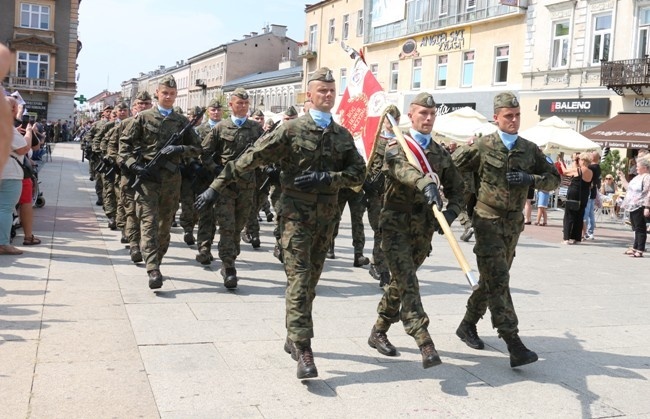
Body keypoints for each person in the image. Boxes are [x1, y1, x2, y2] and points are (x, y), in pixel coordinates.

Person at [195, 67, 366, 379]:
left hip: (325, 222)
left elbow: (359, 174)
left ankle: (292, 335)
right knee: (300, 280)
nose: (327, 95)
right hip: (294, 219)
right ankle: (304, 348)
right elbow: (249, 158)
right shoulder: (291, 131)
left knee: (310, 284)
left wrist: (330, 177)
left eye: (331, 91)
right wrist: (214, 187)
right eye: (321, 91)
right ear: (309, 96)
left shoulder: (342, 136)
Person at [452, 91, 560, 368]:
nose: (514, 120)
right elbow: (450, 169)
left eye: (517, 115)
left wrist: (530, 178)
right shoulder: (483, 145)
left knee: (492, 280)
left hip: (513, 225)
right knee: (499, 278)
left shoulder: (529, 148)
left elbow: (553, 181)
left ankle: (467, 325)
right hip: (487, 220)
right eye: (508, 116)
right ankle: (513, 341)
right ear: (495, 118)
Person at [366, 92, 465, 369]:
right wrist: (425, 183)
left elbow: (460, 189)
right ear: (411, 116)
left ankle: (378, 330)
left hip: (423, 230)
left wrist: (451, 213)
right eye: (422, 113)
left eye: (432, 114)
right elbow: (401, 170)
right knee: (408, 282)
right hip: (395, 225)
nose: (428, 118)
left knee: (400, 283)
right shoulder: (397, 146)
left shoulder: (440, 153)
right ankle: (424, 340)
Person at [119, 75, 201, 289]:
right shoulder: (143, 118)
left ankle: (158, 259)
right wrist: (134, 166)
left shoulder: (182, 122)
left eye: (172, 94)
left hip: (172, 182)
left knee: (164, 226)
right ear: (157, 93)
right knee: (148, 223)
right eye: (165, 93)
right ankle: (153, 268)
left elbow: (199, 148)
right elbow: (124, 147)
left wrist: (180, 149)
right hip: (148, 180)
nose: (169, 97)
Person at [197, 87, 263, 285]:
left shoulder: (255, 129)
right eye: (239, 103)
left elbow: (264, 154)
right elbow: (204, 153)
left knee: (238, 227)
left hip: (247, 186)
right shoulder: (220, 128)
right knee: (227, 226)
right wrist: (216, 168)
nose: (242, 107)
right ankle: (228, 266)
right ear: (231, 105)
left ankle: (231, 257)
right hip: (225, 187)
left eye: (245, 103)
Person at [364, 105, 400, 287]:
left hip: (393, 194)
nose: (390, 124)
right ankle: (380, 266)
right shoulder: (375, 139)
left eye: (394, 120)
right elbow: (367, 162)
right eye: (388, 120)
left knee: (387, 231)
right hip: (375, 192)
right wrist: (365, 185)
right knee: (380, 230)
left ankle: (381, 267)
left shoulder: (402, 141)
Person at [0, 96, 31, 255]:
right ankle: (3, 244)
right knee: (5, 208)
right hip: (9, 173)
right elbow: (23, 149)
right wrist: (29, 133)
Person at [194, 97, 223, 260]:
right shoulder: (199, 130)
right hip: (205, 177)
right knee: (206, 214)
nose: (216, 112)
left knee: (221, 214)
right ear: (208, 112)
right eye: (213, 109)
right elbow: (193, 150)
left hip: (223, 176)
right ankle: (204, 248)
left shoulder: (227, 128)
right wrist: (195, 166)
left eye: (219, 110)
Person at [618, 157, 650, 257]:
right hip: (632, 205)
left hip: (640, 205)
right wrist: (622, 177)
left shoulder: (647, 177)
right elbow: (628, 188)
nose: (636, 168)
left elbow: (648, 193)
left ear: (644, 167)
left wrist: (647, 207)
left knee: (640, 228)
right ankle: (635, 247)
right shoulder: (637, 177)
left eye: (638, 166)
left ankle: (640, 250)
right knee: (636, 228)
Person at [562, 152, 593, 244]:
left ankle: (566, 238)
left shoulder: (578, 170)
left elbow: (565, 172)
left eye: (579, 159)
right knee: (579, 215)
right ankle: (577, 238)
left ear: (583, 161)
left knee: (569, 215)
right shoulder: (590, 172)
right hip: (584, 195)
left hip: (574, 193)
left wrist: (561, 163)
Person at [583, 151, 601, 240]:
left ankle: (585, 231)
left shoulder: (591, 167)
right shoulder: (598, 167)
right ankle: (590, 232)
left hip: (589, 191)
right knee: (591, 213)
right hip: (593, 192)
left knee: (586, 213)